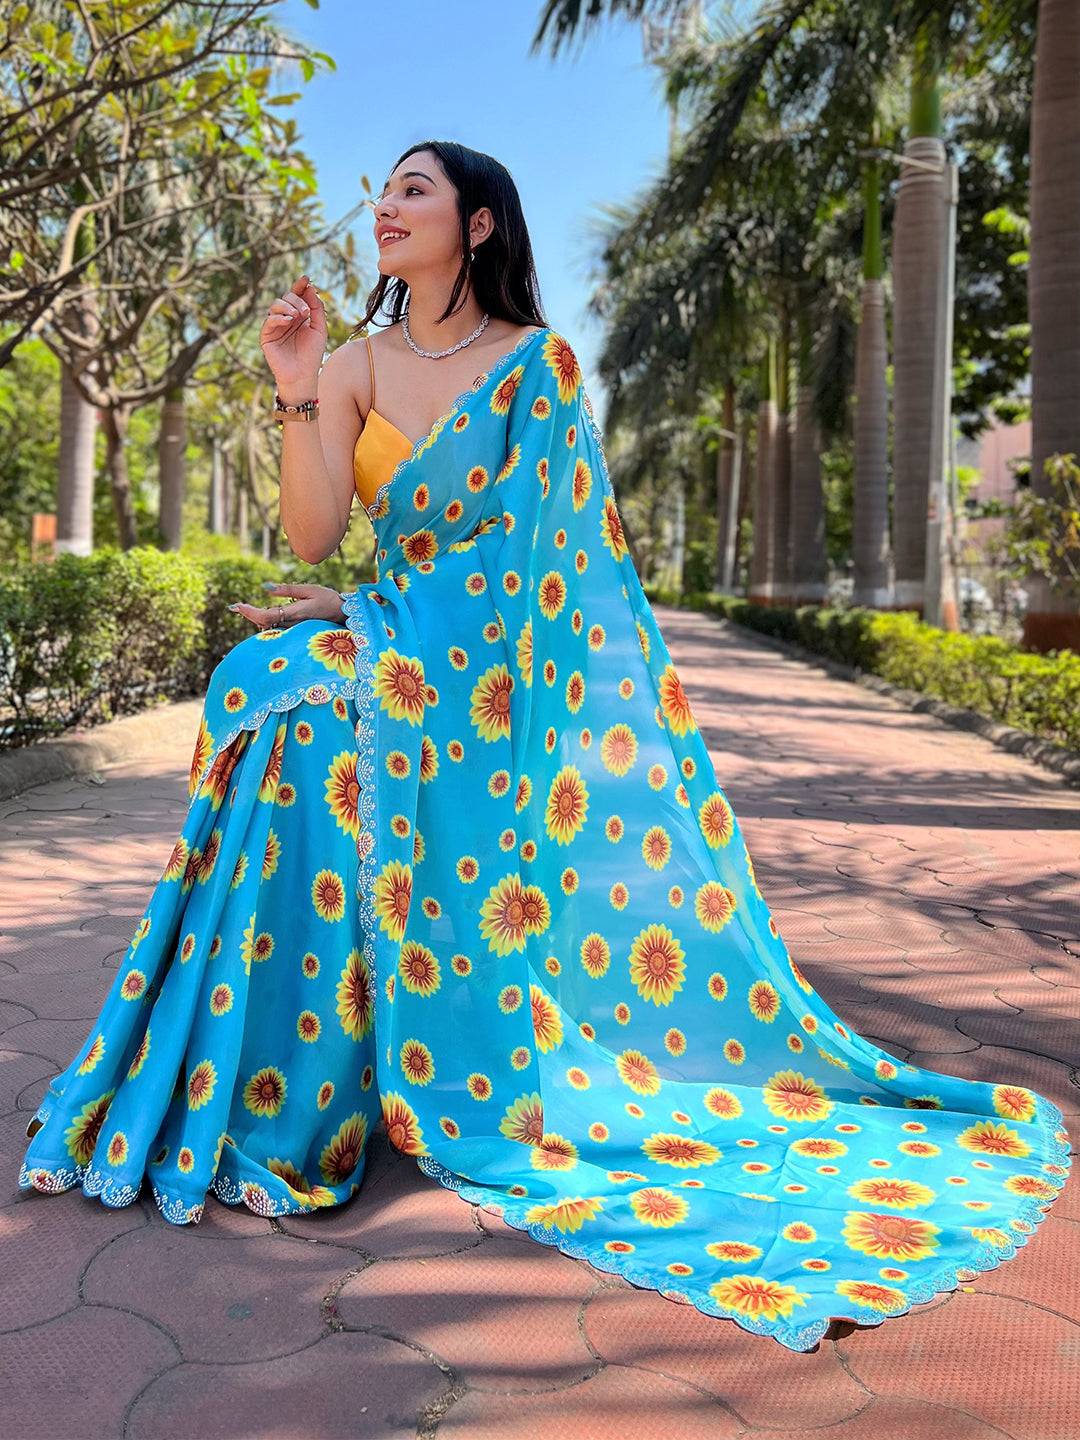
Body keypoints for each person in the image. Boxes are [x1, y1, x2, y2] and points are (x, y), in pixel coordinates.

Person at [18, 140, 1072, 1353]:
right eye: (385, 189)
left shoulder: (539, 370)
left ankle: (366, 1069)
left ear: (477, 225)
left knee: (308, 695)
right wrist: (296, 381)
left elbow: (554, 585)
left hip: (487, 687)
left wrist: (385, 623)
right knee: (269, 684)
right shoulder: (353, 362)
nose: (386, 206)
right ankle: (277, 1084)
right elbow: (314, 539)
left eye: (415, 189)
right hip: (391, 646)